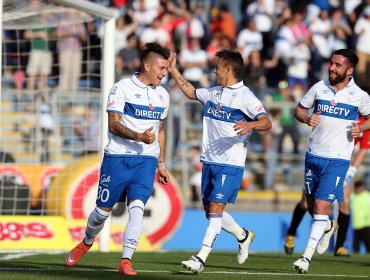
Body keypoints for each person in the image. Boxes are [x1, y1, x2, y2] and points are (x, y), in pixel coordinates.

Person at [65, 42, 171, 276]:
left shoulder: (163, 95)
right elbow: (113, 125)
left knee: (137, 208)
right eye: (162, 68)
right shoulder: (122, 88)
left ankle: (126, 261)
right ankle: (87, 241)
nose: (164, 73)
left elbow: (160, 129)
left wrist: (161, 162)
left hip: (146, 160)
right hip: (117, 158)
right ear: (147, 65)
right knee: (102, 213)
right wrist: (139, 136)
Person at [168, 49, 272, 274]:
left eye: (217, 66)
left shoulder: (246, 97)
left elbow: (266, 122)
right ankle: (243, 235)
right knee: (210, 211)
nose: (214, 69)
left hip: (230, 163)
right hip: (209, 161)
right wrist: (173, 69)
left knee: (215, 209)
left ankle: (200, 259)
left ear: (227, 69)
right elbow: (191, 92)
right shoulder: (214, 93)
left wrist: (250, 125)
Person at [292, 49, 370, 274]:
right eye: (331, 63)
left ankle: (306, 257)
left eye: (337, 65)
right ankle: (326, 226)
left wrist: (361, 127)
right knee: (311, 206)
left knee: (321, 206)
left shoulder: (360, 96)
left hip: (337, 160)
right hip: (313, 155)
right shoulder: (319, 87)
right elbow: (299, 110)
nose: (332, 68)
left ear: (349, 70)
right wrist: (306, 118)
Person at [284, 116, 370, 256]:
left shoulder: (366, 122)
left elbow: (363, 149)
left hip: (340, 165)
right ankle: (291, 232)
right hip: (319, 158)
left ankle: (340, 246)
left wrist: (351, 172)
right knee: (306, 203)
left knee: (345, 202)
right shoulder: (344, 110)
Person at [351, 180, 370, 253]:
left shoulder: (367, 196)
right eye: (356, 187)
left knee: (368, 245)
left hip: (366, 225)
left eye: (359, 187)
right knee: (356, 247)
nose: (358, 189)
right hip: (355, 225)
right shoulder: (352, 196)